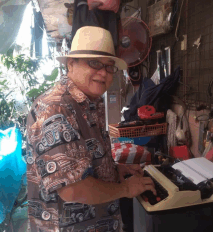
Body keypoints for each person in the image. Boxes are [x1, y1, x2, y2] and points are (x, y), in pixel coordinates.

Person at [26, 26, 156, 232]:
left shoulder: (90, 102)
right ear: (71, 63)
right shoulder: (55, 109)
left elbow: (87, 158)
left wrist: (115, 170)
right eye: (94, 63)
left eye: (109, 66)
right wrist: (125, 188)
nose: (103, 72)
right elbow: (72, 189)